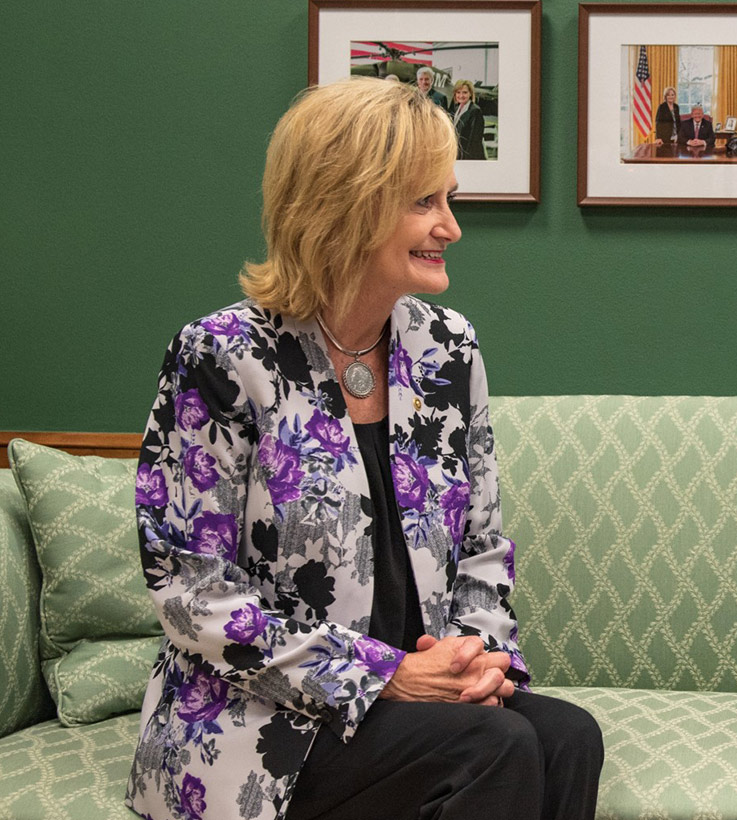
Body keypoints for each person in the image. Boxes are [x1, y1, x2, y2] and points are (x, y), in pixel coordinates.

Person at [126, 78, 603, 820]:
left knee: (570, 737)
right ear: (344, 205)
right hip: (271, 721)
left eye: (450, 200)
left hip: (423, 708)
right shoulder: (222, 356)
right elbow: (192, 592)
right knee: (494, 746)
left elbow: (482, 547)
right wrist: (383, 675)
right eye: (424, 203)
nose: (451, 227)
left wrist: (474, 659)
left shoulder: (448, 348)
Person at [450, 79, 486, 161]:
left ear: (470, 94)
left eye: (465, 92)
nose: (461, 95)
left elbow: (474, 141)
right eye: (458, 92)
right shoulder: (457, 109)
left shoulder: (475, 111)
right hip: (458, 154)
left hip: (469, 156)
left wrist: (466, 160)